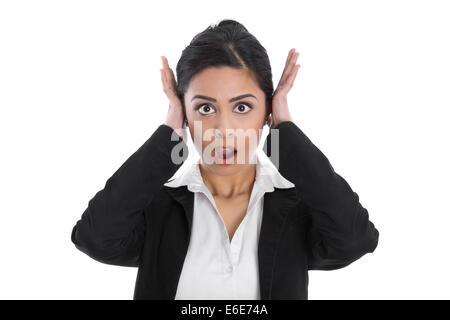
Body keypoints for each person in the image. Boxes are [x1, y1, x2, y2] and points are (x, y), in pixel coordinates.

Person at [71, 19, 379, 300]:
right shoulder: (158, 208)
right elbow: (95, 238)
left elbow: (355, 240)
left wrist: (285, 133)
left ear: (266, 113)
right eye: (205, 108)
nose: (223, 130)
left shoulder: (297, 209)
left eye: (242, 107)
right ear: (185, 113)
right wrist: (168, 134)